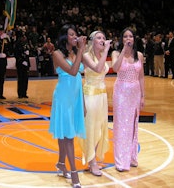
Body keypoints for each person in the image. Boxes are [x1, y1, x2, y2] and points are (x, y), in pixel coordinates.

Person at [49, 24, 86, 188]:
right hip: (63, 97)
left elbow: (81, 76)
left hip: (75, 97)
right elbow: (73, 71)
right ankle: (74, 173)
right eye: (71, 34)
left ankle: (60, 163)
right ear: (64, 37)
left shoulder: (77, 52)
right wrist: (81, 50)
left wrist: (83, 103)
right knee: (68, 136)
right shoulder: (57, 54)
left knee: (65, 134)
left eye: (75, 34)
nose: (75, 37)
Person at [111, 27, 145, 172]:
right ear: (122, 39)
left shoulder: (139, 55)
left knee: (132, 126)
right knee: (121, 126)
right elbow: (115, 68)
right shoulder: (116, 53)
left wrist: (143, 95)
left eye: (130, 36)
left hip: (135, 92)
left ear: (134, 39)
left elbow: (141, 76)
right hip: (121, 92)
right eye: (125, 37)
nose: (128, 39)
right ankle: (120, 161)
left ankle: (131, 157)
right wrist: (123, 51)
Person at [78, 30, 111, 177]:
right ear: (92, 41)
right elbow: (98, 69)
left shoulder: (102, 56)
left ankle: (94, 158)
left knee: (100, 127)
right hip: (90, 95)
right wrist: (107, 51)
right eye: (99, 37)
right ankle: (91, 161)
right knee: (91, 127)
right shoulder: (86, 56)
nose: (102, 40)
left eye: (103, 38)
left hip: (102, 95)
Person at [14, 32, 30, 99]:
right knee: (20, 78)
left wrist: (28, 53)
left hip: (26, 63)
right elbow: (16, 54)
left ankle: (24, 92)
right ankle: (20, 93)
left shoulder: (26, 44)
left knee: (25, 79)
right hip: (20, 63)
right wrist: (22, 60)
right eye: (23, 37)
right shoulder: (17, 44)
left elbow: (28, 52)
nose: (24, 38)